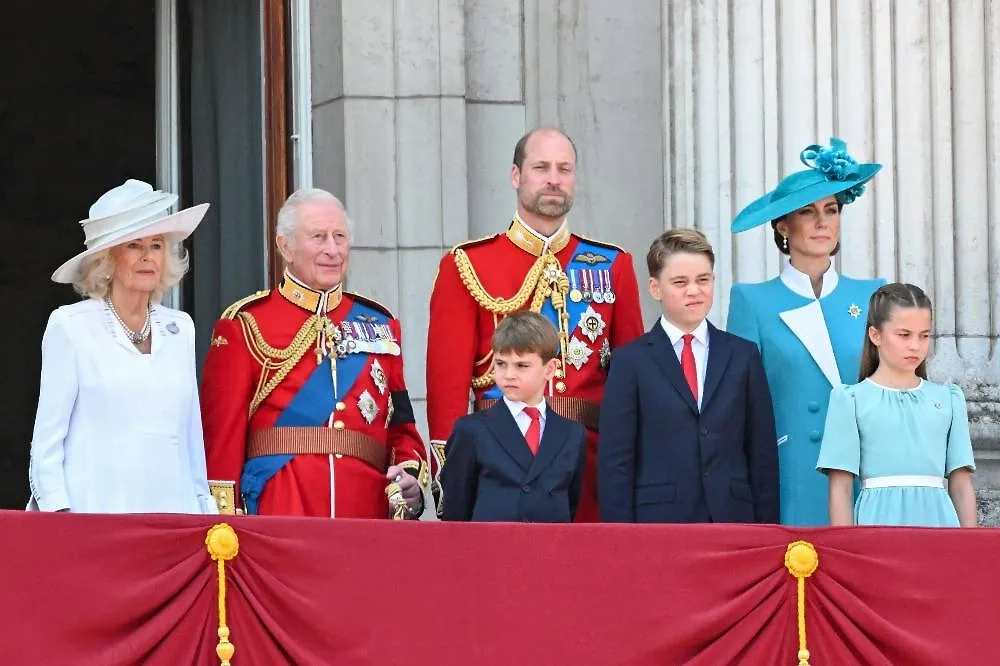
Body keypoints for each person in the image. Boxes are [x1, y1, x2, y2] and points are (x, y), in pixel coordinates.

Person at [426, 127, 644, 521]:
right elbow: (447, 383)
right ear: (516, 176)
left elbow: (630, 379)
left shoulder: (614, 264)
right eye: (541, 167)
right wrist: (450, 472)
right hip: (501, 461)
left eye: (564, 169)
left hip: (590, 461)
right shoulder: (469, 263)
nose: (554, 179)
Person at [200, 188, 428, 519]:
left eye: (340, 237)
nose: (332, 250)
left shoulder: (381, 325)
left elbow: (401, 428)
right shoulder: (245, 324)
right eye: (318, 237)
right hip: (280, 511)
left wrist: (410, 483)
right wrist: (226, 526)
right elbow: (221, 442)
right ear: (285, 246)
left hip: (364, 516)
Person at [27, 179, 216, 514]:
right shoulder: (71, 326)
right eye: (134, 245)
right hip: (95, 518)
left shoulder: (180, 329)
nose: (148, 257)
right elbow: (47, 443)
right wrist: (58, 514)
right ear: (107, 259)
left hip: (173, 517)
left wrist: (204, 510)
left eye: (156, 245)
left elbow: (190, 439)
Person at [726, 137, 885, 526]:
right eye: (808, 211)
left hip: (866, 474)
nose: (822, 222)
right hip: (790, 474)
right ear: (783, 226)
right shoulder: (752, 300)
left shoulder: (872, 294)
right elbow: (739, 402)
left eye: (831, 210)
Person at [598, 229, 778, 523]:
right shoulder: (630, 361)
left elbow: (762, 454)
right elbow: (616, 461)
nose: (694, 291)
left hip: (733, 520)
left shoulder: (743, 355)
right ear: (655, 288)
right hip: (658, 524)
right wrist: (621, 541)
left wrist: (767, 531)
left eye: (702, 280)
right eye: (680, 282)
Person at [817, 283, 978, 527]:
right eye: (904, 335)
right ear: (875, 335)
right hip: (876, 528)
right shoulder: (850, 400)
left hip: (940, 529)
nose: (915, 345)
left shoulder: (949, 399)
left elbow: (961, 483)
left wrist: (971, 548)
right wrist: (846, 552)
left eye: (924, 335)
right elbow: (841, 488)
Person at [439, 312, 587, 522]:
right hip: (491, 550)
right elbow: (457, 508)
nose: (509, 374)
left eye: (522, 366)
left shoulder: (572, 434)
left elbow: (570, 503)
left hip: (550, 550)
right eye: (501, 364)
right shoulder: (472, 430)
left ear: (550, 369)